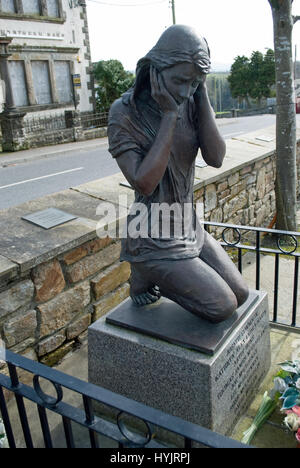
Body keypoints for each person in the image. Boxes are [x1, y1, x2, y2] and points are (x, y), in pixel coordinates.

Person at [108, 25, 249, 323]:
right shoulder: (124, 112)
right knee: (221, 306)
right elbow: (145, 183)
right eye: (180, 80)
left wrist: (202, 94)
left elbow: (216, 158)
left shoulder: (191, 98)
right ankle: (146, 271)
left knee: (241, 294)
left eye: (195, 82)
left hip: (188, 225)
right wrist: (169, 115)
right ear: (156, 69)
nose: (186, 91)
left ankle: (163, 275)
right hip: (151, 235)